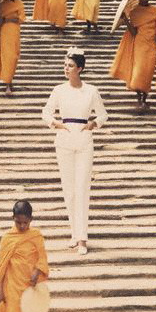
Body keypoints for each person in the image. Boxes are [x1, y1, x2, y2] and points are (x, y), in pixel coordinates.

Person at [42, 48, 108, 255]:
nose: (66, 69)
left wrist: (92, 125)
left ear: (79, 68)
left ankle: (82, 238)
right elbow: (45, 112)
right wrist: (57, 124)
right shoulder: (59, 90)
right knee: (69, 190)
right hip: (64, 141)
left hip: (84, 141)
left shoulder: (91, 91)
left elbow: (103, 115)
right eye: (65, 65)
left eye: (70, 66)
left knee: (82, 189)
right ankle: (74, 232)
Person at [110, 0, 156, 112]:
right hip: (139, 45)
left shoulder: (154, 11)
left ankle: (144, 98)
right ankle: (140, 99)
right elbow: (133, 32)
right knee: (138, 72)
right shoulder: (135, 11)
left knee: (147, 73)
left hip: (151, 46)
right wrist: (126, 19)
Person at [0, 0, 26, 96]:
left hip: (14, 32)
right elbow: (1, 22)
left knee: (14, 56)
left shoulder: (19, 3)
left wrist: (10, 18)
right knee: (8, 57)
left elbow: (21, 19)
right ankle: (8, 84)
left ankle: (9, 79)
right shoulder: (2, 5)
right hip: (5, 32)